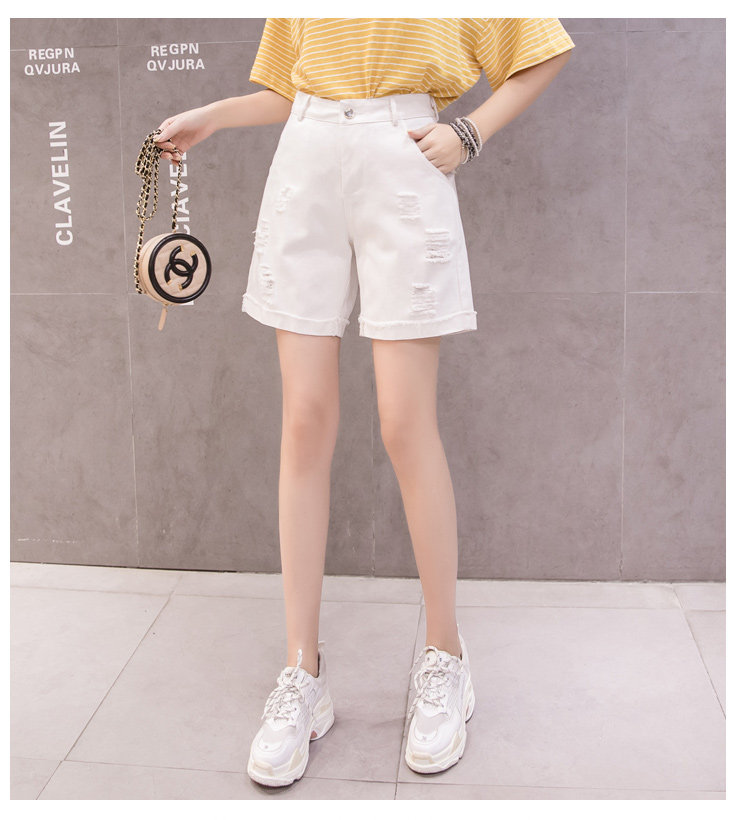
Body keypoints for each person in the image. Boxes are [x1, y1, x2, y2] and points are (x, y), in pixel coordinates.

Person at [154, 17, 574, 788]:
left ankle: (445, 656)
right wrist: (213, 116)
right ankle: (302, 673)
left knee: (404, 424)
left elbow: (541, 50)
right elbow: (290, 89)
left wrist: (470, 133)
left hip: (403, 161)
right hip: (306, 163)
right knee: (304, 421)